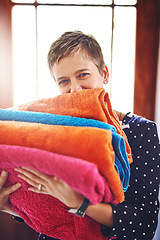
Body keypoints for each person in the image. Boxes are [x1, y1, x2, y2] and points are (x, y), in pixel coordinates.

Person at [0, 31, 160, 240]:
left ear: (104, 74)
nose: (74, 89)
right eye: (63, 81)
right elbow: (45, 207)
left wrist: (81, 204)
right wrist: (9, 206)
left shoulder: (141, 131)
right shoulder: (45, 126)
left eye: (83, 74)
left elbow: (144, 224)